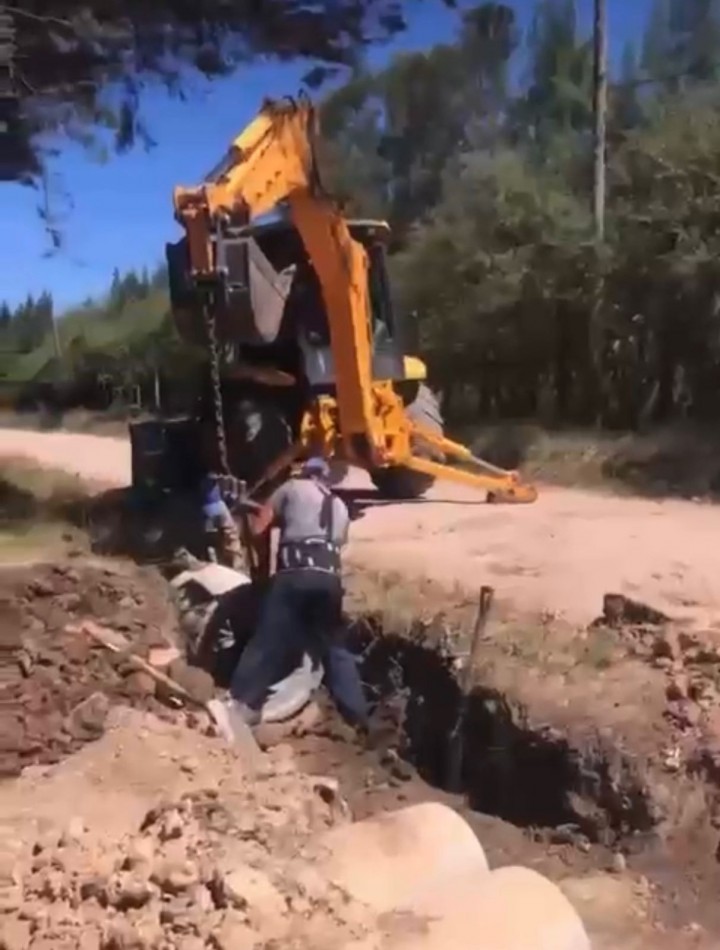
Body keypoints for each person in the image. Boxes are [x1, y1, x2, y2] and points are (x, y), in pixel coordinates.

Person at [213, 456, 369, 736]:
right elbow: (329, 538)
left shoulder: (291, 488)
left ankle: (240, 704)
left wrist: (243, 509)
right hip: (330, 581)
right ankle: (358, 717)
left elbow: (261, 526)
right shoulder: (340, 506)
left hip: (295, 576)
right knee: (335, 649)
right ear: (325, 477)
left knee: (269, 639)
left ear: (303, 472)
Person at [200, 473, 243, 570]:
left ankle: (214, 567)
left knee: (210, 542)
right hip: (218, 506)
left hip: (203, 510)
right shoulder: (211, 470)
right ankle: (236, 567)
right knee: (232, 537)